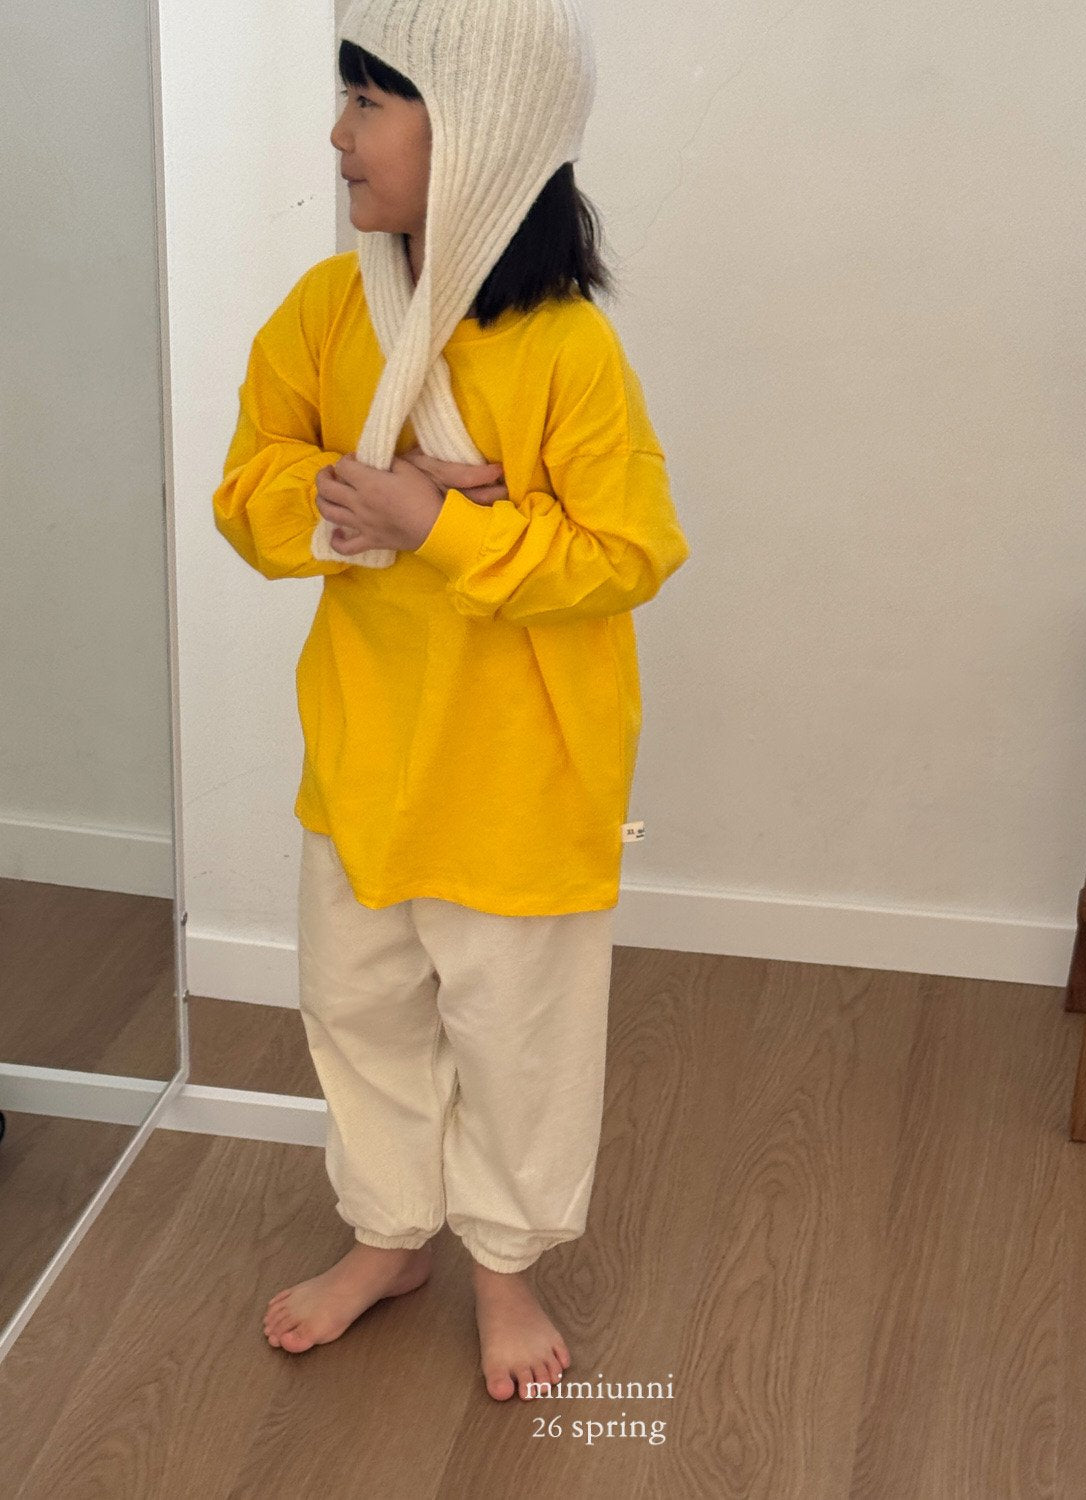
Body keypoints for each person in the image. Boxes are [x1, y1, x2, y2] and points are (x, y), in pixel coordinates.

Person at [211, 0, 690, 1401]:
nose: (338, 135)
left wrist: (441, 526)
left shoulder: (566, 352)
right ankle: (389, 1236)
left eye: (372, 102)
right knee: (356, 1009)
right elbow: (248, 489)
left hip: (522, 776)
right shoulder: (324, 313)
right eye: (347, 98)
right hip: (365, 758)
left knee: (517, 1037)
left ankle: (504, 1269)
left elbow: (629, 553)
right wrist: (361, 503)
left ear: (479, 135)